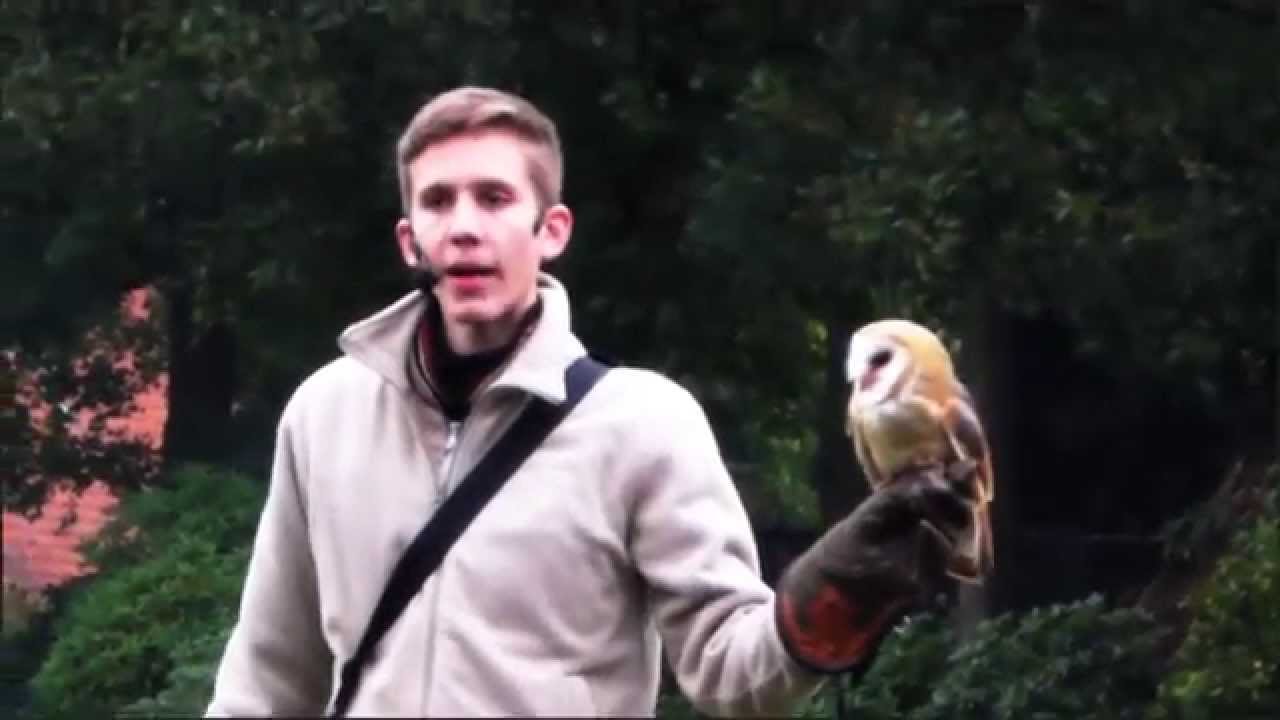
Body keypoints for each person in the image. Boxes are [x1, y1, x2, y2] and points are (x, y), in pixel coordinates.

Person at [205, 86, 978, 717]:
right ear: (411, 241)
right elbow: (267, 682)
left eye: (496, 197)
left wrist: (834, 595)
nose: (466, 226)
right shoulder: (325, 414)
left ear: (552, 230)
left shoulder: (642, 425)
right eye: (439, 202)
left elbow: (731, 672)